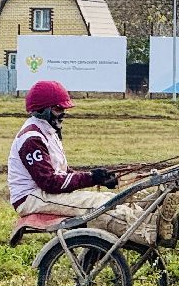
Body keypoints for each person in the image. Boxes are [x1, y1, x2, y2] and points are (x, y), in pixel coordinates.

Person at [8, 80, 125, 221]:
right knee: (103, 204)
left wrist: (99, 178)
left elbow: (62, 174)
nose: (63, 114)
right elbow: (50, 183)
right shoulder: (32, 139)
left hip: (42, 194)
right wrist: (92, 177)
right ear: (42, 111)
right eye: (58, 109)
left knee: (115, 198)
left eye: (64, 110)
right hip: (30, 198)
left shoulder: (48, 132)